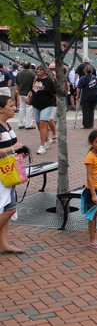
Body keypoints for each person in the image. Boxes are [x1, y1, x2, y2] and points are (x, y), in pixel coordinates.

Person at [0, 95, 28, 255]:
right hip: (1, 174)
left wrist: (19, 152)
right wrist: (12, 149)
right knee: (9, 209)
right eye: (11, 105)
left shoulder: (7, 125)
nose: (14, 108)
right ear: (1, 109)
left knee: (6, 208)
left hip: (8, 172)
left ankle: (3, 244)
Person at [31, 65, 57, 155]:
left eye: (41, 69)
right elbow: (32, 90)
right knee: (38, 123)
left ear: (45, 71)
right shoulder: (36, 79)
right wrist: (28, 97)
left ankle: (42, 146)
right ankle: (47, 139)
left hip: (47, 104)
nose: (38, 70)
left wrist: (58, 104)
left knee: (43, 124)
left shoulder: (49, 80)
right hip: (36, 104)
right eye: (38, 69)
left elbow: (55, 93)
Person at [14, 62, 36, 130]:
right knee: (29, 108)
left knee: (22, 108)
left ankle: (20, 124)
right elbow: (34, 83)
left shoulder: (19, 73)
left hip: (21, 93)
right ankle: (28, 124)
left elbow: (16, 83)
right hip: (29, 93)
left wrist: (17, 90)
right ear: (30, 66)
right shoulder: (32, 74)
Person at [77, 64, 97, 129]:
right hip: (94, 95)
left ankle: (86, 124)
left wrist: (77, 95)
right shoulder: (94, 77)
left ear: (84, 71)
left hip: (86, 96)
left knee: (85, 110)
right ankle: (91, 124)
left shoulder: (83, 78)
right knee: (91, 110)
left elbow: (78, 87)